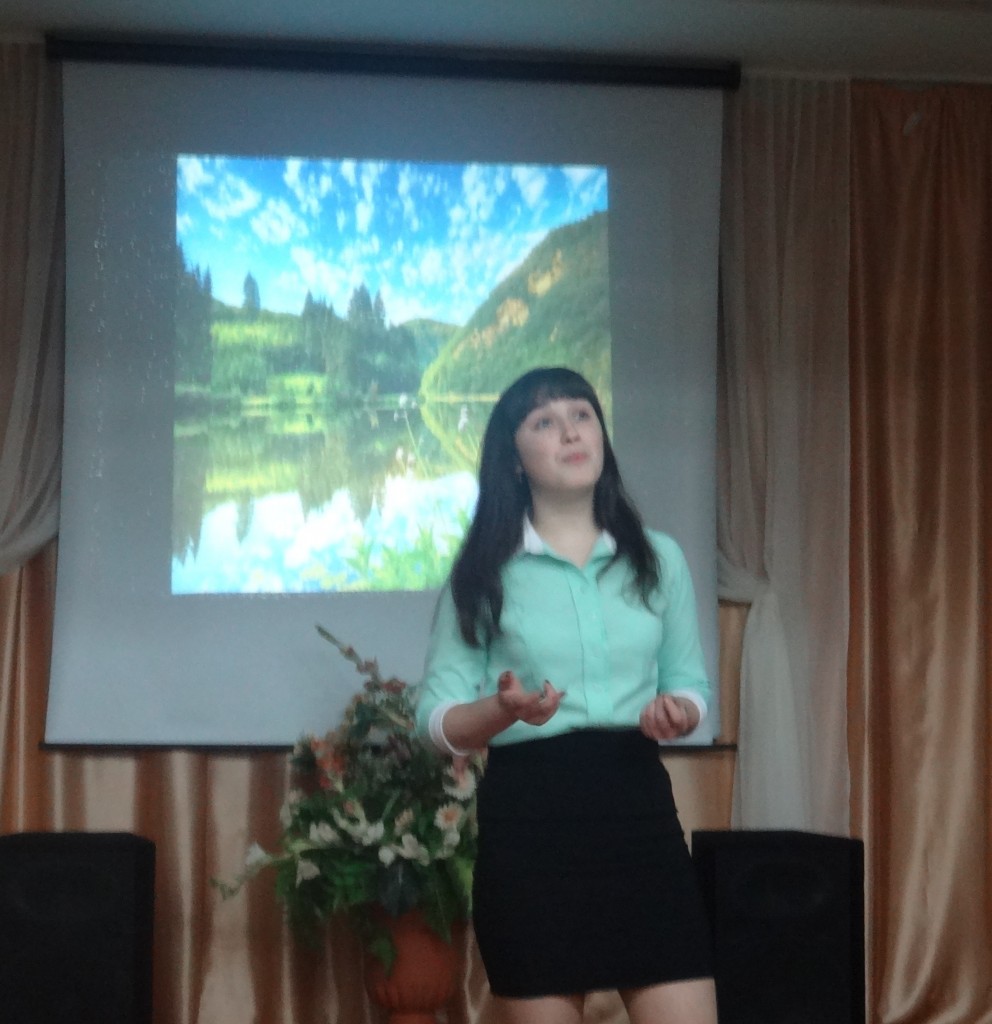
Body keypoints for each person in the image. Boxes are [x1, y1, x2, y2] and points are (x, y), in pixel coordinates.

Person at [415, 366, 717, 1024]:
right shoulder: (482, 572)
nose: (571, 431)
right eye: (545, 422)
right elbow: (434, 720)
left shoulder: (659, 558)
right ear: (514, 458)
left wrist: (679, 712)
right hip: (530, 832)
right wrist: (501, 710)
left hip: (640, 820)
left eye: (581, 415)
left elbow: (690, 684)